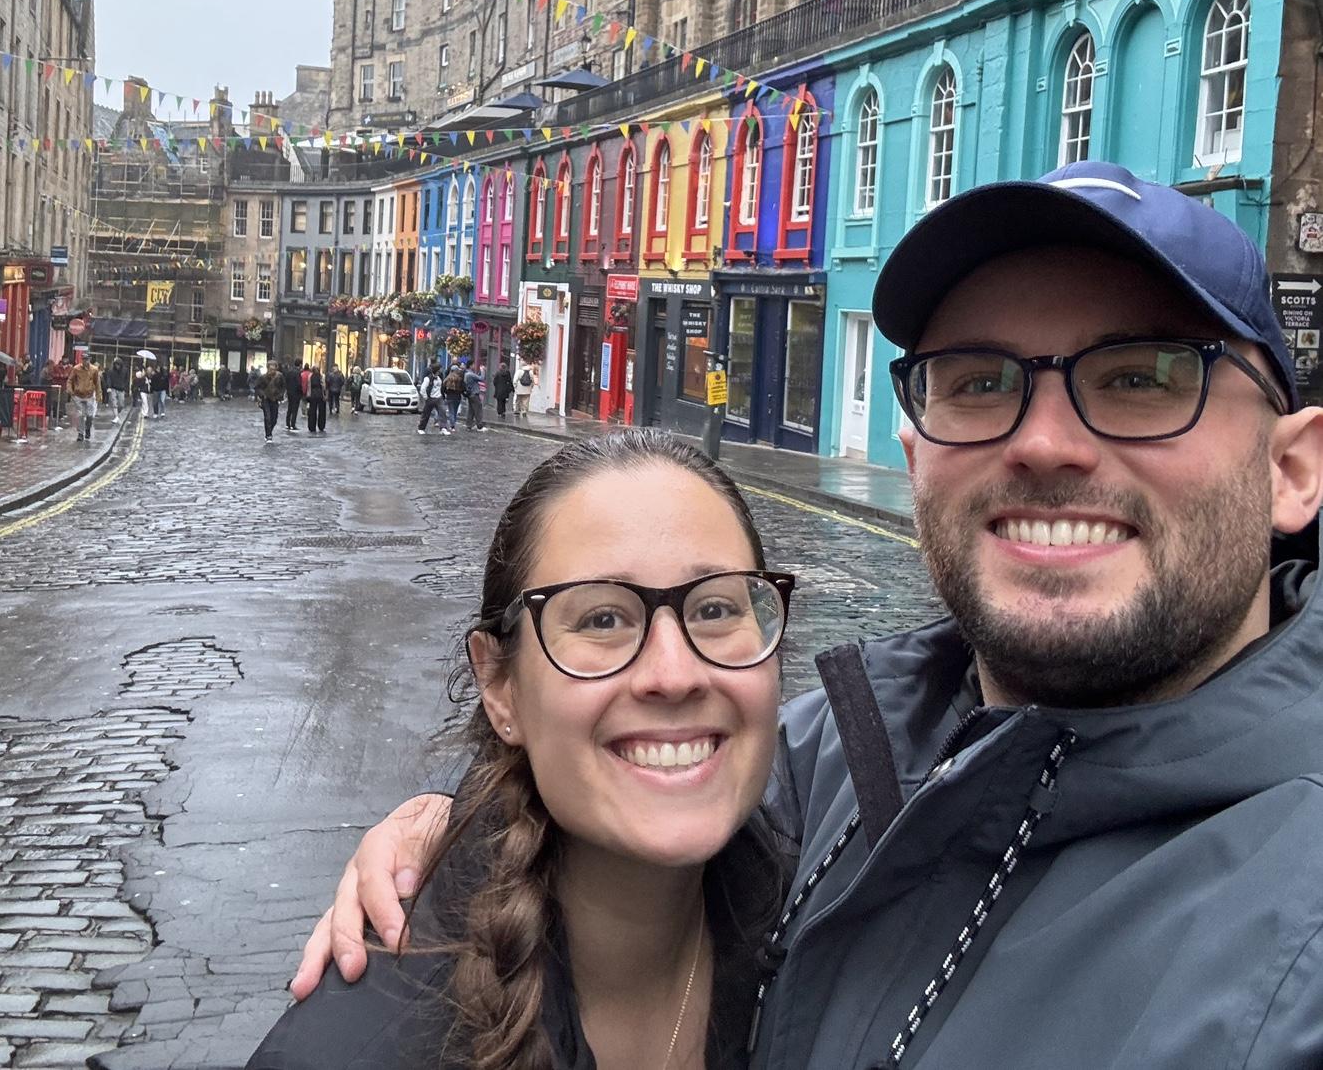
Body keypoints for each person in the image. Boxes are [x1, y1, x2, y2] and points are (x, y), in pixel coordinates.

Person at [291, 160, 1323, 1068]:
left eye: (1142, 378)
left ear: (1291, 469)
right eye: (979, 382)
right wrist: (454, 831)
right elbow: (625, 779)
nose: (1043, 442)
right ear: (919, 461)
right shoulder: (828, 754)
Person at [248, 433, 793, 1070]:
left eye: (717, 608)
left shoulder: (836, 906)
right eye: (602, 620)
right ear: (499, 685)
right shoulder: (355, 1049)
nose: (674, 675)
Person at [66, 349, 102, 445]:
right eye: (83, 359)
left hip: (89, 396)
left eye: (87, 359)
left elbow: (97, 383)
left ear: (90, 359)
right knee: (80, 414)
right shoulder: (76, 369)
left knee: (90, 415)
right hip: (78, 395)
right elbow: (70, 380)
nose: (85, 361)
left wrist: (98, 395)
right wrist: (70, 390)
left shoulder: (94, 370)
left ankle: (87, 428)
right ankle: (80, 434)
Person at [417, 362, 448, 436]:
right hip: (430, 398)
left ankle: (443, 428)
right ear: (437, 370)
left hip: (439, 397)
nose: (441, 370)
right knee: (426, 414)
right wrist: (426, 397)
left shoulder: (439, 377)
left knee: (442, 412)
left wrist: (443, 395)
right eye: (440, 369)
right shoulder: (428, 378)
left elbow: (441, 387)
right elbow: (422, 389)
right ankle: (421, 428)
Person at [259, 360, 286, 444]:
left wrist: (280, 395)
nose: (272, 371)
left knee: (274, 418)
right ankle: (268, 435)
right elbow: (259, 387)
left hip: (275, 399)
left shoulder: (280, 376)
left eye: (274, 369)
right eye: (271, 369)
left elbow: (283, 387)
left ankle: (269, 430)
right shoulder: (263, 377)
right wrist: (262, 395)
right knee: (267, 417)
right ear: (268, 369)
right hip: (266, 399)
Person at [463, 358, 486, 432]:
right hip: (474, 394)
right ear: (470, 365)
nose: (474, 366)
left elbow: (476, 378)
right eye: (473, 364)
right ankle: (479, 426)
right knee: (478, 410)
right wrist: (482, 370)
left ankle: (468, 425)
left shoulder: (467, 373)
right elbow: (481, 378)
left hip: (470, 394)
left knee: (471, 410)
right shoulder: (470, 374)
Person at [442, 360, 465, 432]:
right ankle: (453, 424)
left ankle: (452, 425)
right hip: (457, 396)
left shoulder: (447, 379)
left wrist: (446, 393)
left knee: (451, 411)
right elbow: (463, 388)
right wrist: (462, 392)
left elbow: (443, 388)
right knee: (455, 411)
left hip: (449, 396)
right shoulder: (459, 379)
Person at [285, 358, 306, 433]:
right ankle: (292, 424)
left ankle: (287, 423)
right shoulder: (297, 372)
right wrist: (301, 392)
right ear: (300, 364)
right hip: (296, 393)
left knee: (289, 408)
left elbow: (286, 381)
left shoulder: (289, 371)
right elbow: (298, 383)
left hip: (290, 392)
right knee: (295, 409)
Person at [307, 364, 328, 436]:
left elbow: (308, 386)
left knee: (312, 411)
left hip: (312, 395)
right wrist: (325, 394)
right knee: (322, 411)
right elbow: (324, 386)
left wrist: (308, 394)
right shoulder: (322, 376)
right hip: (320, 395)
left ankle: (312, 426)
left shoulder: (310, 376)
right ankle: (321, 425)